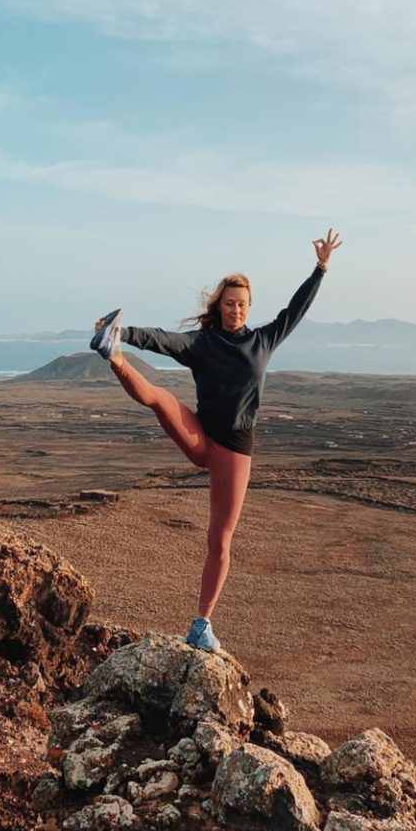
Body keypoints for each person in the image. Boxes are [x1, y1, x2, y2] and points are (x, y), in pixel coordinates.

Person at [89, 228, 342, 653]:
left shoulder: (264, 340)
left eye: (242, 304)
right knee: (160, 398)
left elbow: (295, 310)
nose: (236, 310)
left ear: (249, 307)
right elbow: (164, 340)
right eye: (229, 303)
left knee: (219, 539)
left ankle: (201, 623)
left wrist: (320, 268)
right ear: (219, 306)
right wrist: (125, 333)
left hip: (233, 453)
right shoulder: (203, 343)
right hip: (203, 436)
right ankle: (112, 352)